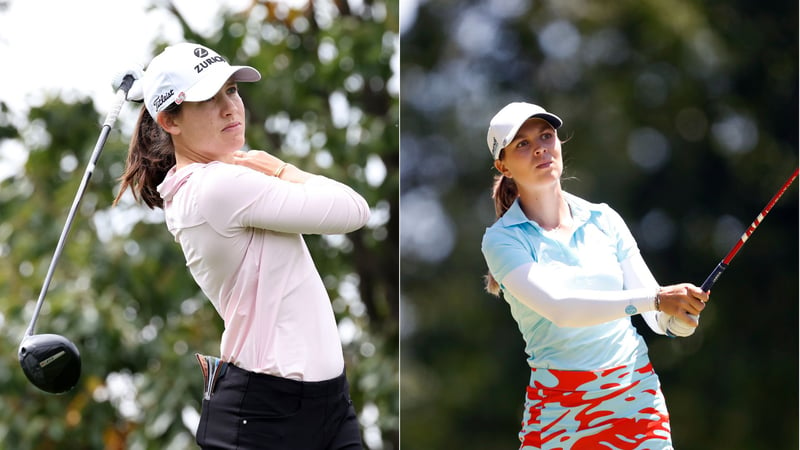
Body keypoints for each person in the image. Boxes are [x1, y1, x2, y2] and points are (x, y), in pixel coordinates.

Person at [113, 42, 369, 450]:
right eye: (209, 99)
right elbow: (353, 209)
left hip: (328, 406)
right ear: (169, 121)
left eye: (231, 90)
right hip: (267, 418)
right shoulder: (217, 186)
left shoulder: (207, 182)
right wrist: (282, 169)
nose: (230, 107)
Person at [480, 101, 709, 450]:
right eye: (522, 144)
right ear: (503, 166)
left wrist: (678, 318)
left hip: (635, 400)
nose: (540, 147)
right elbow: (560, 308)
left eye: (546, 135)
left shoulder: (604, 219)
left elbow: (652, 309)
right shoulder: (502, 239)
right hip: (559, 414)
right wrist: (660, 299)